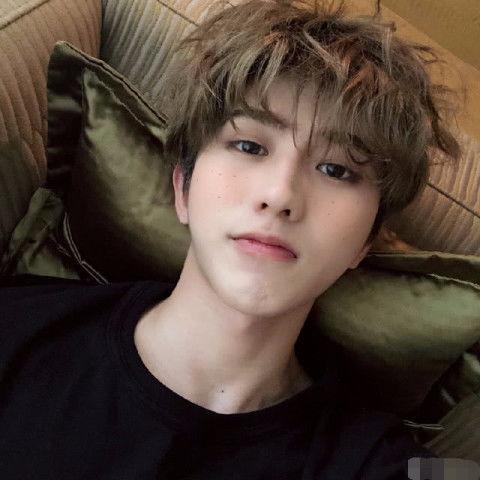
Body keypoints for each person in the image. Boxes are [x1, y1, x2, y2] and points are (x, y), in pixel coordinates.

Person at [0, 0, 461, 478]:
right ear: (183, 186)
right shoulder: (19, 327)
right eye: (249, 145)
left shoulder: (374, 463)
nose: (280, 195)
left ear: (365, 242)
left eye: (336, 170)